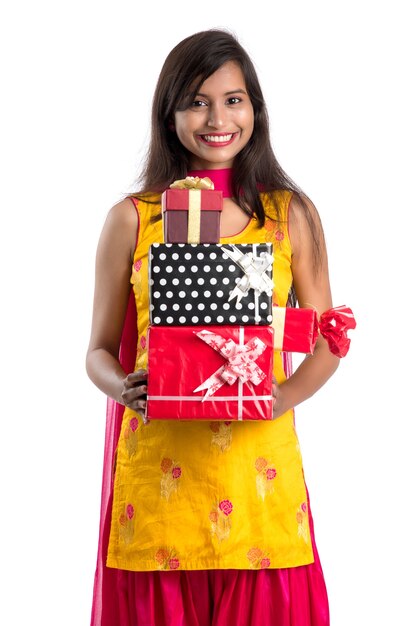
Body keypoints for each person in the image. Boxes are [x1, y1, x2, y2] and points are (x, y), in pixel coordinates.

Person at [86, 28, 342, 626]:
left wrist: (282, 396)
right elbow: (97, 349)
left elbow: (327, 333)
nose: (217, 118)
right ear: (169, 112)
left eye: (233, 99)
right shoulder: (133, 219)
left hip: (259, 477)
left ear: (255, 108)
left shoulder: (289, 215)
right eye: (197, 101)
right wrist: (122, 386)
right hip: (161, 479)